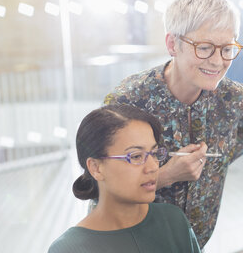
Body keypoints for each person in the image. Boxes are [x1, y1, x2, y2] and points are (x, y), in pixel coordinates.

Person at [104, 0, 243, 247]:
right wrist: (166, 176)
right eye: (204, 48)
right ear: (172, 44)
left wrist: (213, 169)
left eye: (227, 49)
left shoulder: (235, 100)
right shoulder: (126, 102)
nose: (217, 61)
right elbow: (101, 188)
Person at [48, 105, 200, 253]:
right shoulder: (68, 249)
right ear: (96, 168)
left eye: (154, 153)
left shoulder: (174, 221)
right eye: (135, 156)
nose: (153, 167)